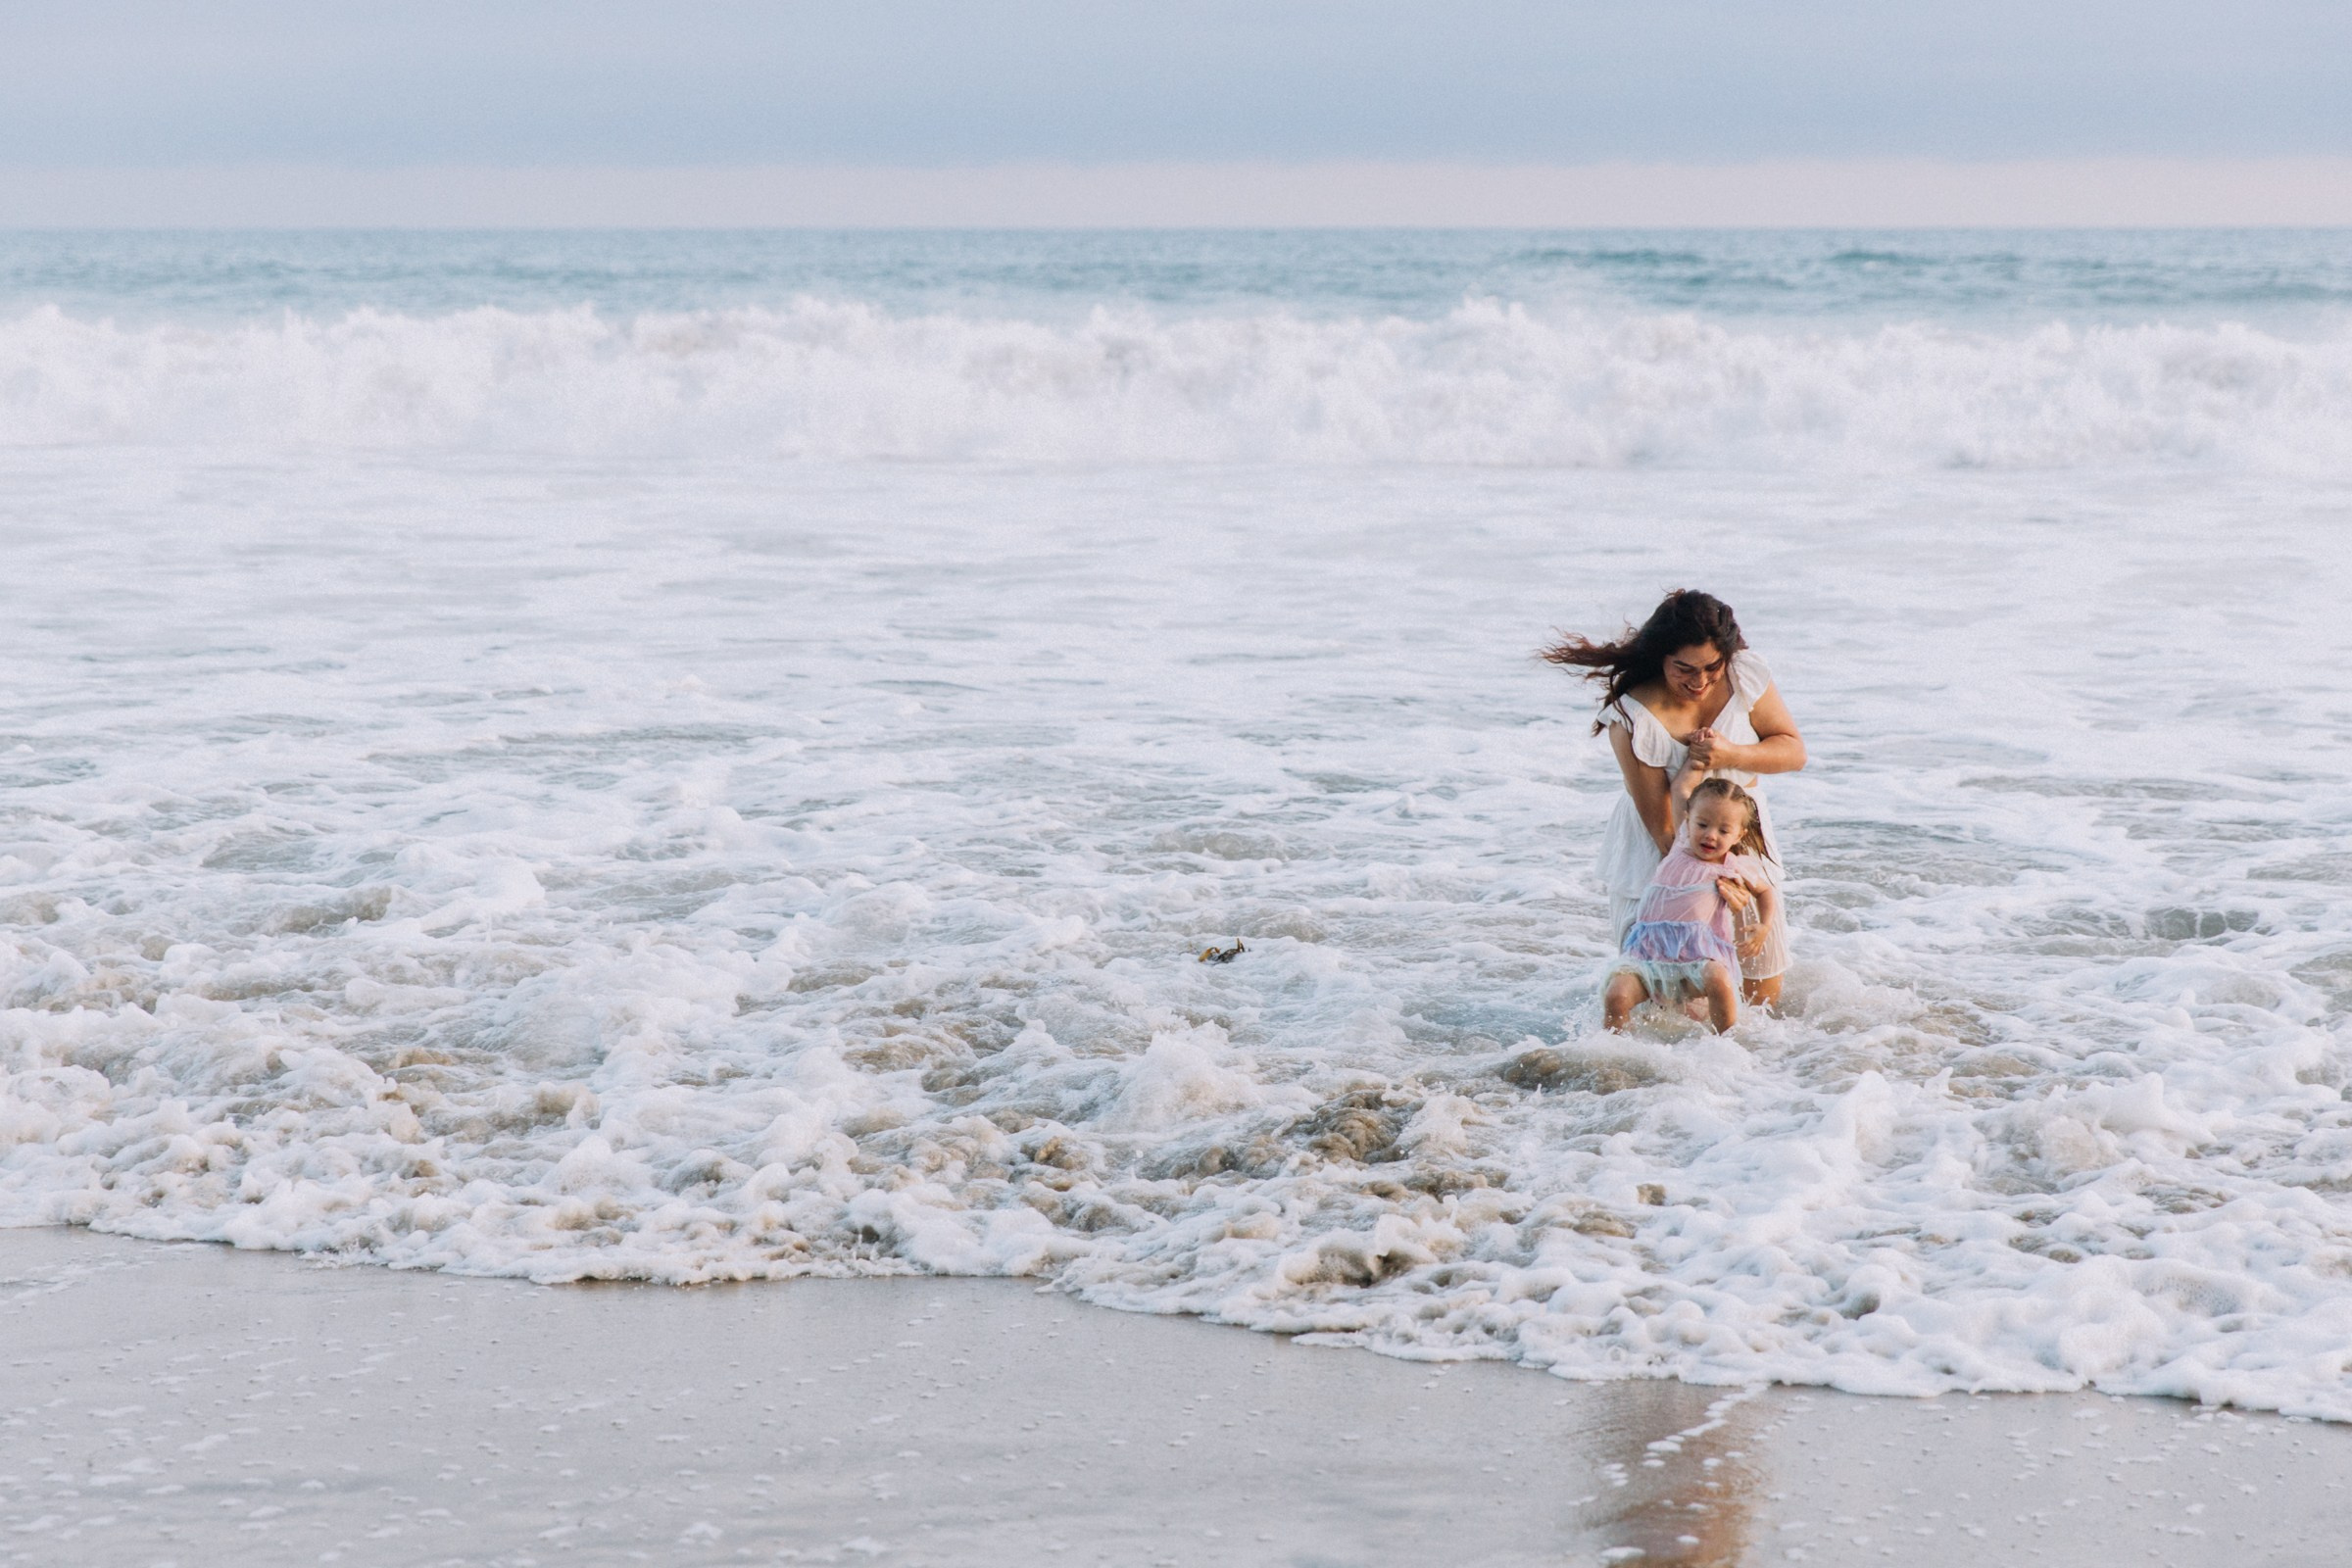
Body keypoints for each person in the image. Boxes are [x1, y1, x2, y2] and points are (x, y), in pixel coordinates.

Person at [1543, 589, 1805, 1008]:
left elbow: (1793, 751)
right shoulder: (1631, 718)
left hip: (1740, 836)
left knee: (1762, 990)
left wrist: (1730, 755)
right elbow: (1665, 830)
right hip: (1664, 859)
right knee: (1666, 1004)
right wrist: (1718, 883)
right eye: (1684, 669)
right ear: (1660, 657)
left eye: (1712, 667)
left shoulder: (1745, 675)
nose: (1699, 682)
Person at [1603, 772, 1778, 1032]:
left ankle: (1728, 1041)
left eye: (1723, 830)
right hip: (1648, 956)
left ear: (1739, 835)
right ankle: (1613, 1047)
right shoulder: (1680, 845)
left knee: (1719, 980)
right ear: (1688, 820)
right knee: (1616, 994)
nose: (1711, 835)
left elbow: (1765, 891)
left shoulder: (1733, 867)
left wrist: (1764, 926)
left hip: (1697, 959)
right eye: (1702, 824)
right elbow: (1682, 787)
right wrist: (1695, 763)